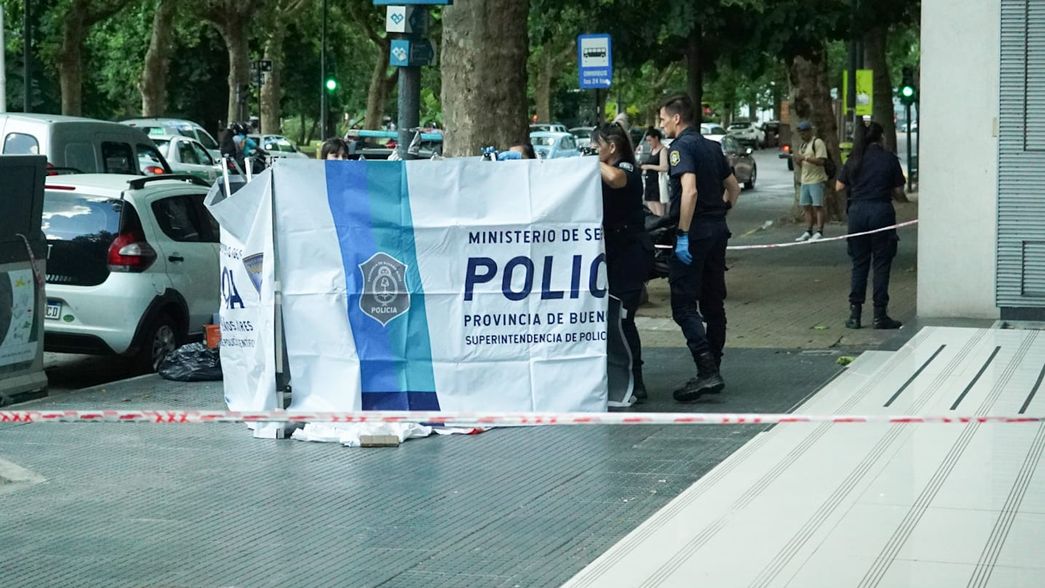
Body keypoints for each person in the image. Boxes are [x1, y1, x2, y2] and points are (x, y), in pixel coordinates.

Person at [659, 94, 741, 402]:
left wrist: (682, 233)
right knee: (713, 303)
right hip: (717, 231)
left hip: (693, 233)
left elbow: (689, 191)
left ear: (677, 118)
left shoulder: (680, 148)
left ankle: (706, 369)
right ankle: (714, 367)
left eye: (663, 119)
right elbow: (733, 188)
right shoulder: (712, 147)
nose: (661, 125)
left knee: (683, 305)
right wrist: (721, 212)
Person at [592, 124, 654, 400]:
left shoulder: (626, 168)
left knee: (624, 319)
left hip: (630, 253)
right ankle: (619, 377)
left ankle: (635, 380)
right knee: (613, 319)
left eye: (596, 146)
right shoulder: (604, 170)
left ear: (612, 147)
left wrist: (592, 162)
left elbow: (616, 180)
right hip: (612, 253)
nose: (592, 150)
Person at [836, 121, 905, 330]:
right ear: (881, 137)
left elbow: (839, 186)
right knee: (881, 264)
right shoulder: (889, 159)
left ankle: (855, 314)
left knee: (859, 263)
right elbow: (899, 189)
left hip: (857, 213)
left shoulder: (854, 159)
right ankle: (879, 315)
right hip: (881, 212)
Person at [793, 120, 829, 241]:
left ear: (810, 131)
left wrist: (805, 158)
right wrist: (798, 161)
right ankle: (808, 230)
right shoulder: (803, 146)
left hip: (816, 179)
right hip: (805, 180)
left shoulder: (817, 143)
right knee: (806, 206)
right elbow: (801, 164)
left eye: (804, 132)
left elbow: (821, 161)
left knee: (817, 205)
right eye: (800, 133)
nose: (802, 135)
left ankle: (819, 231)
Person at [640, 128, 669, 216]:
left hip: (657, 183)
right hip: (649, 182)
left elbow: (664, 167)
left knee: (659, 210)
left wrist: (649, 166)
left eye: (650, 140)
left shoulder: (663, 150)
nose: (649, 143)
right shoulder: (652, 150)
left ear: (656, 138)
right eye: (647, 141)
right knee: (651, 208)